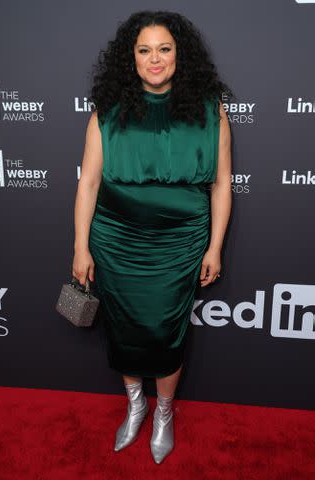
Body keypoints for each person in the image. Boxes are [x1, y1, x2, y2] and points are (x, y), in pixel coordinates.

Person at [72, 10, 232, 464]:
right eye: (145, 50)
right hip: (117, 239)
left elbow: (221, 184)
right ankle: (135, 405)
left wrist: (214, 245)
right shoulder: (109, 110)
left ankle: (163, 412)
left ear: (181, 55)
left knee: (166, 331)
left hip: (180, 242)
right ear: (132, 57)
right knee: (123, 327)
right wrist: (81, 245)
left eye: (164, 49)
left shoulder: (209, 110)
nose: (154, 59)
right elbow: (88, 183)